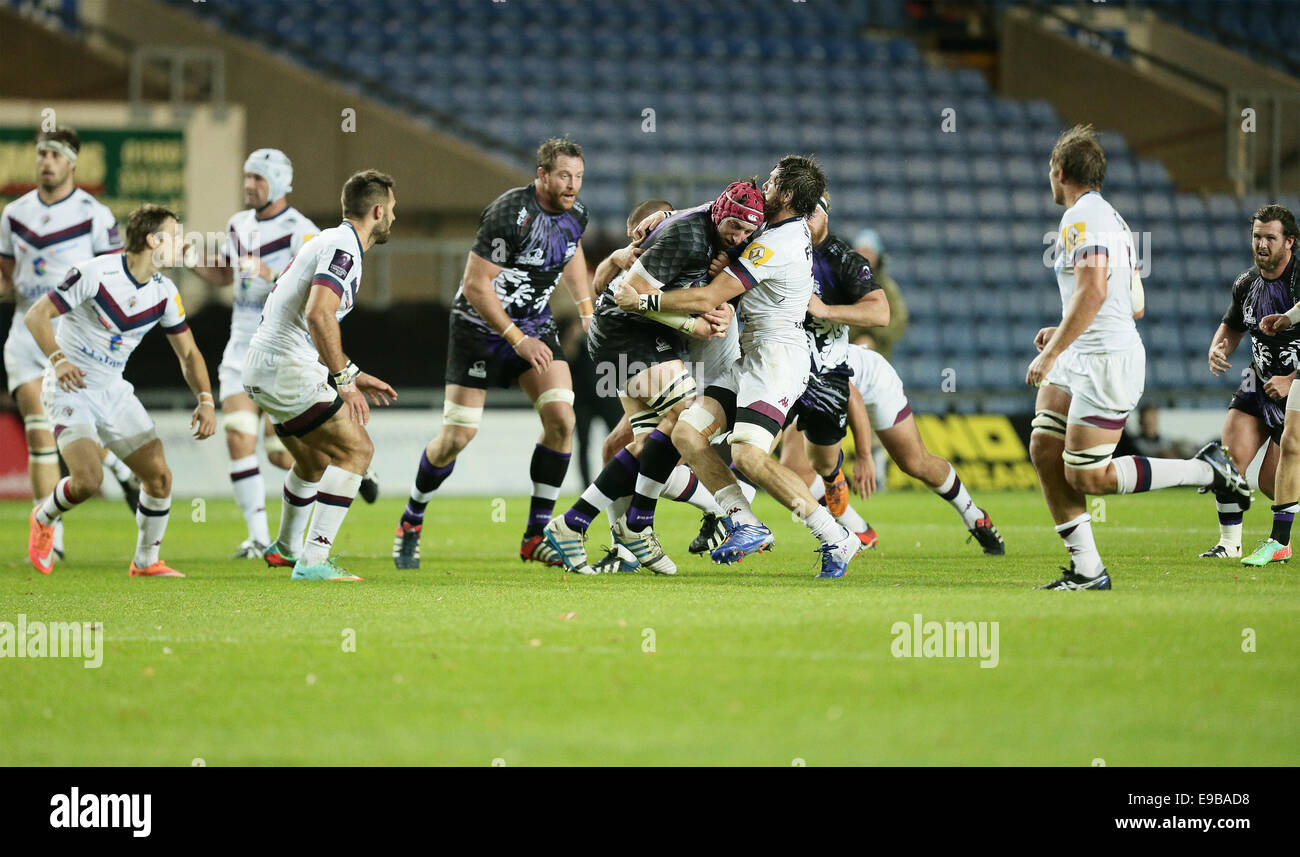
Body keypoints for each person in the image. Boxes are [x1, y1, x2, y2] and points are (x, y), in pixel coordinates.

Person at [616, 155, 864, 579]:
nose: (763, 187)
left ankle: (836, 535)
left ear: (785, 194)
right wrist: (668, 216)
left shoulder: (776, 244)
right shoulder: (788, 227)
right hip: (754, 355)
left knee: (747, 456)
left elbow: (707, 298)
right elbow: (729, 215)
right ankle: (745, 522)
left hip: (778, 360)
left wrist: (642, 300)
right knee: (687, 433)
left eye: (770, 182)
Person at [1026, 125, 1249, 590]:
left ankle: (1208, 470)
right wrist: (1065, 328)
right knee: (1045, 446)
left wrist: (1056, 350)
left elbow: (1095, 289)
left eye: (1051, 170)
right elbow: (1133, 302)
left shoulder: (1082, 219)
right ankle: (1088, 570)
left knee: (1090, 478)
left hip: (1106, 361)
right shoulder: (1114, 221)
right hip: (1086, 351)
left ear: (1060, 171)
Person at [393, 138, 593, 570]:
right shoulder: (510, 214)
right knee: (457, 437)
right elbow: (475, 285)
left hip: (535, 324)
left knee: (562, 420)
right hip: (479, 329)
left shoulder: (576, 216)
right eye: (563, 175)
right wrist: (516, 339)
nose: (572, 184)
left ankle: (534, 536)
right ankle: (412, 516)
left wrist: (586, 310)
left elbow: (572, 256)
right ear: (541, 175)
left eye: (578, 176)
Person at [543, 183, 758, 574]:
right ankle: (643, 523)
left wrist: (713, 307)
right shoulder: (684, 235)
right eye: (735, 229)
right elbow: (626, 296)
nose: (740, 237)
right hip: (630, 338)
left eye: (746, 233)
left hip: (645, 341)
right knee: (685, 419)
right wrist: (691, 321)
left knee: (649, 448)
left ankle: (574, 524)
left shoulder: (716, 235)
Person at [23, 204, 217, 576]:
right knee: (87, 481)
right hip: (70, 388)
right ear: (152, 240)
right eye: (175, 236)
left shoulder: (164, 292)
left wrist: (206, 400)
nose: (182, 244)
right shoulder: (96, 273)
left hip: (113, 392)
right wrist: (60, 360)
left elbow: (189, 352)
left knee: (159, 478)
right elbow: (36, 316)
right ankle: (44, 516)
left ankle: (145, 561)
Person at [244, 169, 398, 580]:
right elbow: (317, 312)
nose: (394, 219)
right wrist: (344, 378)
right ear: (379, 210)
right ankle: (313, 562)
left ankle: (286, 549)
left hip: (265, 364)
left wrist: (354, 371)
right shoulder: (344, 247)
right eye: (393, 211)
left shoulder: (331, 241)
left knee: (312, 463)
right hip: (285, 364)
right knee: (357, 452)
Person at [0, 126, 140, 563]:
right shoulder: (14, 214)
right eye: (41, 154)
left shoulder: (94, 214)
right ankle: (51, 538)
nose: (46, 162)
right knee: (40, 433)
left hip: (74, 335)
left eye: (55, 155)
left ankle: (116, 463)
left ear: (72, 162)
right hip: (27, 330)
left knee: (77, 428)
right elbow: (5, 269)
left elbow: (114, 273)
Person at [193, 148, 333, 559]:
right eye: (247, 177)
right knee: (237, 436)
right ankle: (257, 537)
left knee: (281, 454)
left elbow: (316, 289)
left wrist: (272, 274)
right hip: (240, 346)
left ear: (278, 182)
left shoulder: (301, 230)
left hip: (282, 349)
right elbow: (224, 275)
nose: (249, 185)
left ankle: (343, 468)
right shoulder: (238, 225)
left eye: (258, 178)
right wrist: (188, 258)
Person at [1202, 207, 1300, 558]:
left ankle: (1280, 539)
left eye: (1270, 237)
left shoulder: (1297, 280)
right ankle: (1229, 544)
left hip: (1295, 391)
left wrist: (1292, 379)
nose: (1261, 243)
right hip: (1256, 383)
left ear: (1289, 242)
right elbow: (1232, 324)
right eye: (1257, 235)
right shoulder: (1246, 284)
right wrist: (1218, 347)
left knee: (1272, 484)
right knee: (1229, 461)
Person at [849, 229, 908, 360]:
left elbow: (899, 320)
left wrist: (872, 336)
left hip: (879, 356)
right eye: (860, 251)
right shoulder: (842, 284)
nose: (864, 256)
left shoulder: (888, 288)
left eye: (868, 251)